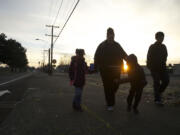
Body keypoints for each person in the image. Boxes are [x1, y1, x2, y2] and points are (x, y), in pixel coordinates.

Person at [94, 27, 128, 111]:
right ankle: (110, 104)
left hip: (116, 69)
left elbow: (124, 54)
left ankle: (110, 97)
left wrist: (131, 61)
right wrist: (96, 67)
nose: (111, 37)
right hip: (105, 70)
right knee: (107, 86)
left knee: (116, 85)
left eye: (112, 35)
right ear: (107, 35)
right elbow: (96, 56)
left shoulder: (117, 45)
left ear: (114, 35)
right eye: (109, 35)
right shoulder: (102, 45)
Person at [147, 31, 169, 105]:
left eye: (163, 37)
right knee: (156, 82)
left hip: (162, 68)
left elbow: (166, 56)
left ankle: (159, 93)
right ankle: (157, 99)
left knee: (166, 81)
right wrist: (150, 67)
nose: (162, 38)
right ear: (156, 38)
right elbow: (148, 57)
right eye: (160, 37)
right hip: (154, 68)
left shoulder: (164, 47)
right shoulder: (152, 47)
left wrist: (163, 63)